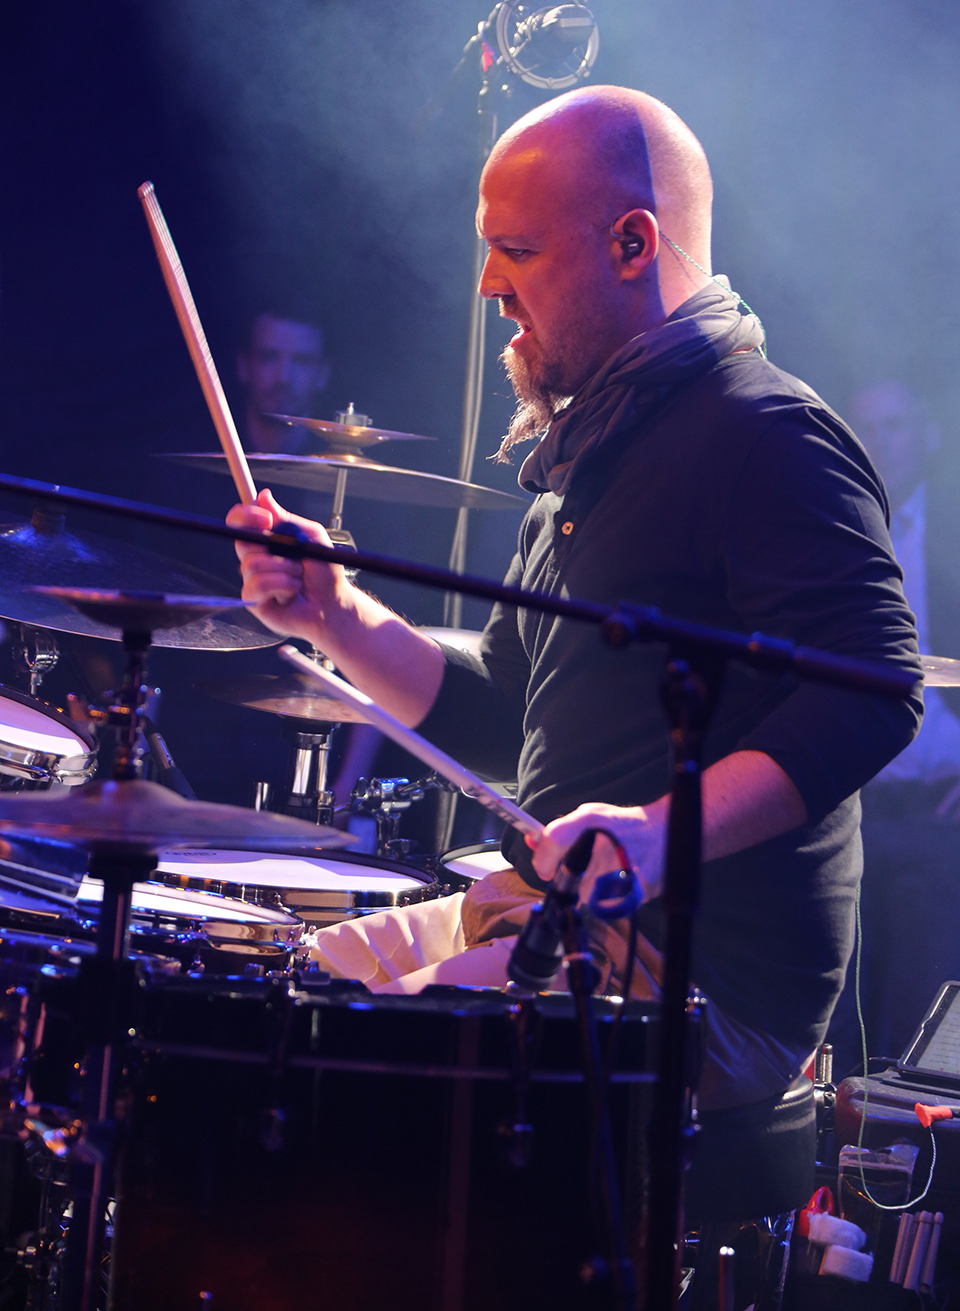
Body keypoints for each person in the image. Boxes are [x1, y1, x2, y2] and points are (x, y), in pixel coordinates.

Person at [227, 85, 921, 1112]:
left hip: (700, 982)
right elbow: (507, 717)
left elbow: (875, 690)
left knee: (331, 1079)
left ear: (632, 244)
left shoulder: (768, 434)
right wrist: (334, 615)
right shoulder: (588, 454)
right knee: (253, 1009)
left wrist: (655, 834)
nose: (488, 286)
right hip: (553, 916)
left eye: (517, 251)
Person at [827, 380, 960, 1073]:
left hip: (941, 812)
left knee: (919, 1012)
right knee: (837, 1004)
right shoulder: (837, 527)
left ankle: (904, 1138)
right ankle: (833, 1134)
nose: (881, 445)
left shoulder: (951, 530)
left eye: (897, 427)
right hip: (852, 802)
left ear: (929, 435)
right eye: (868, 429)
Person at [236, 312, 330, 455]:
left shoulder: (338, 463)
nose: (283, 378)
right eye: (269, 357)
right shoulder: (202, 441)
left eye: (302, 360)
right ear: (243, 365)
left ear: (323, 373)